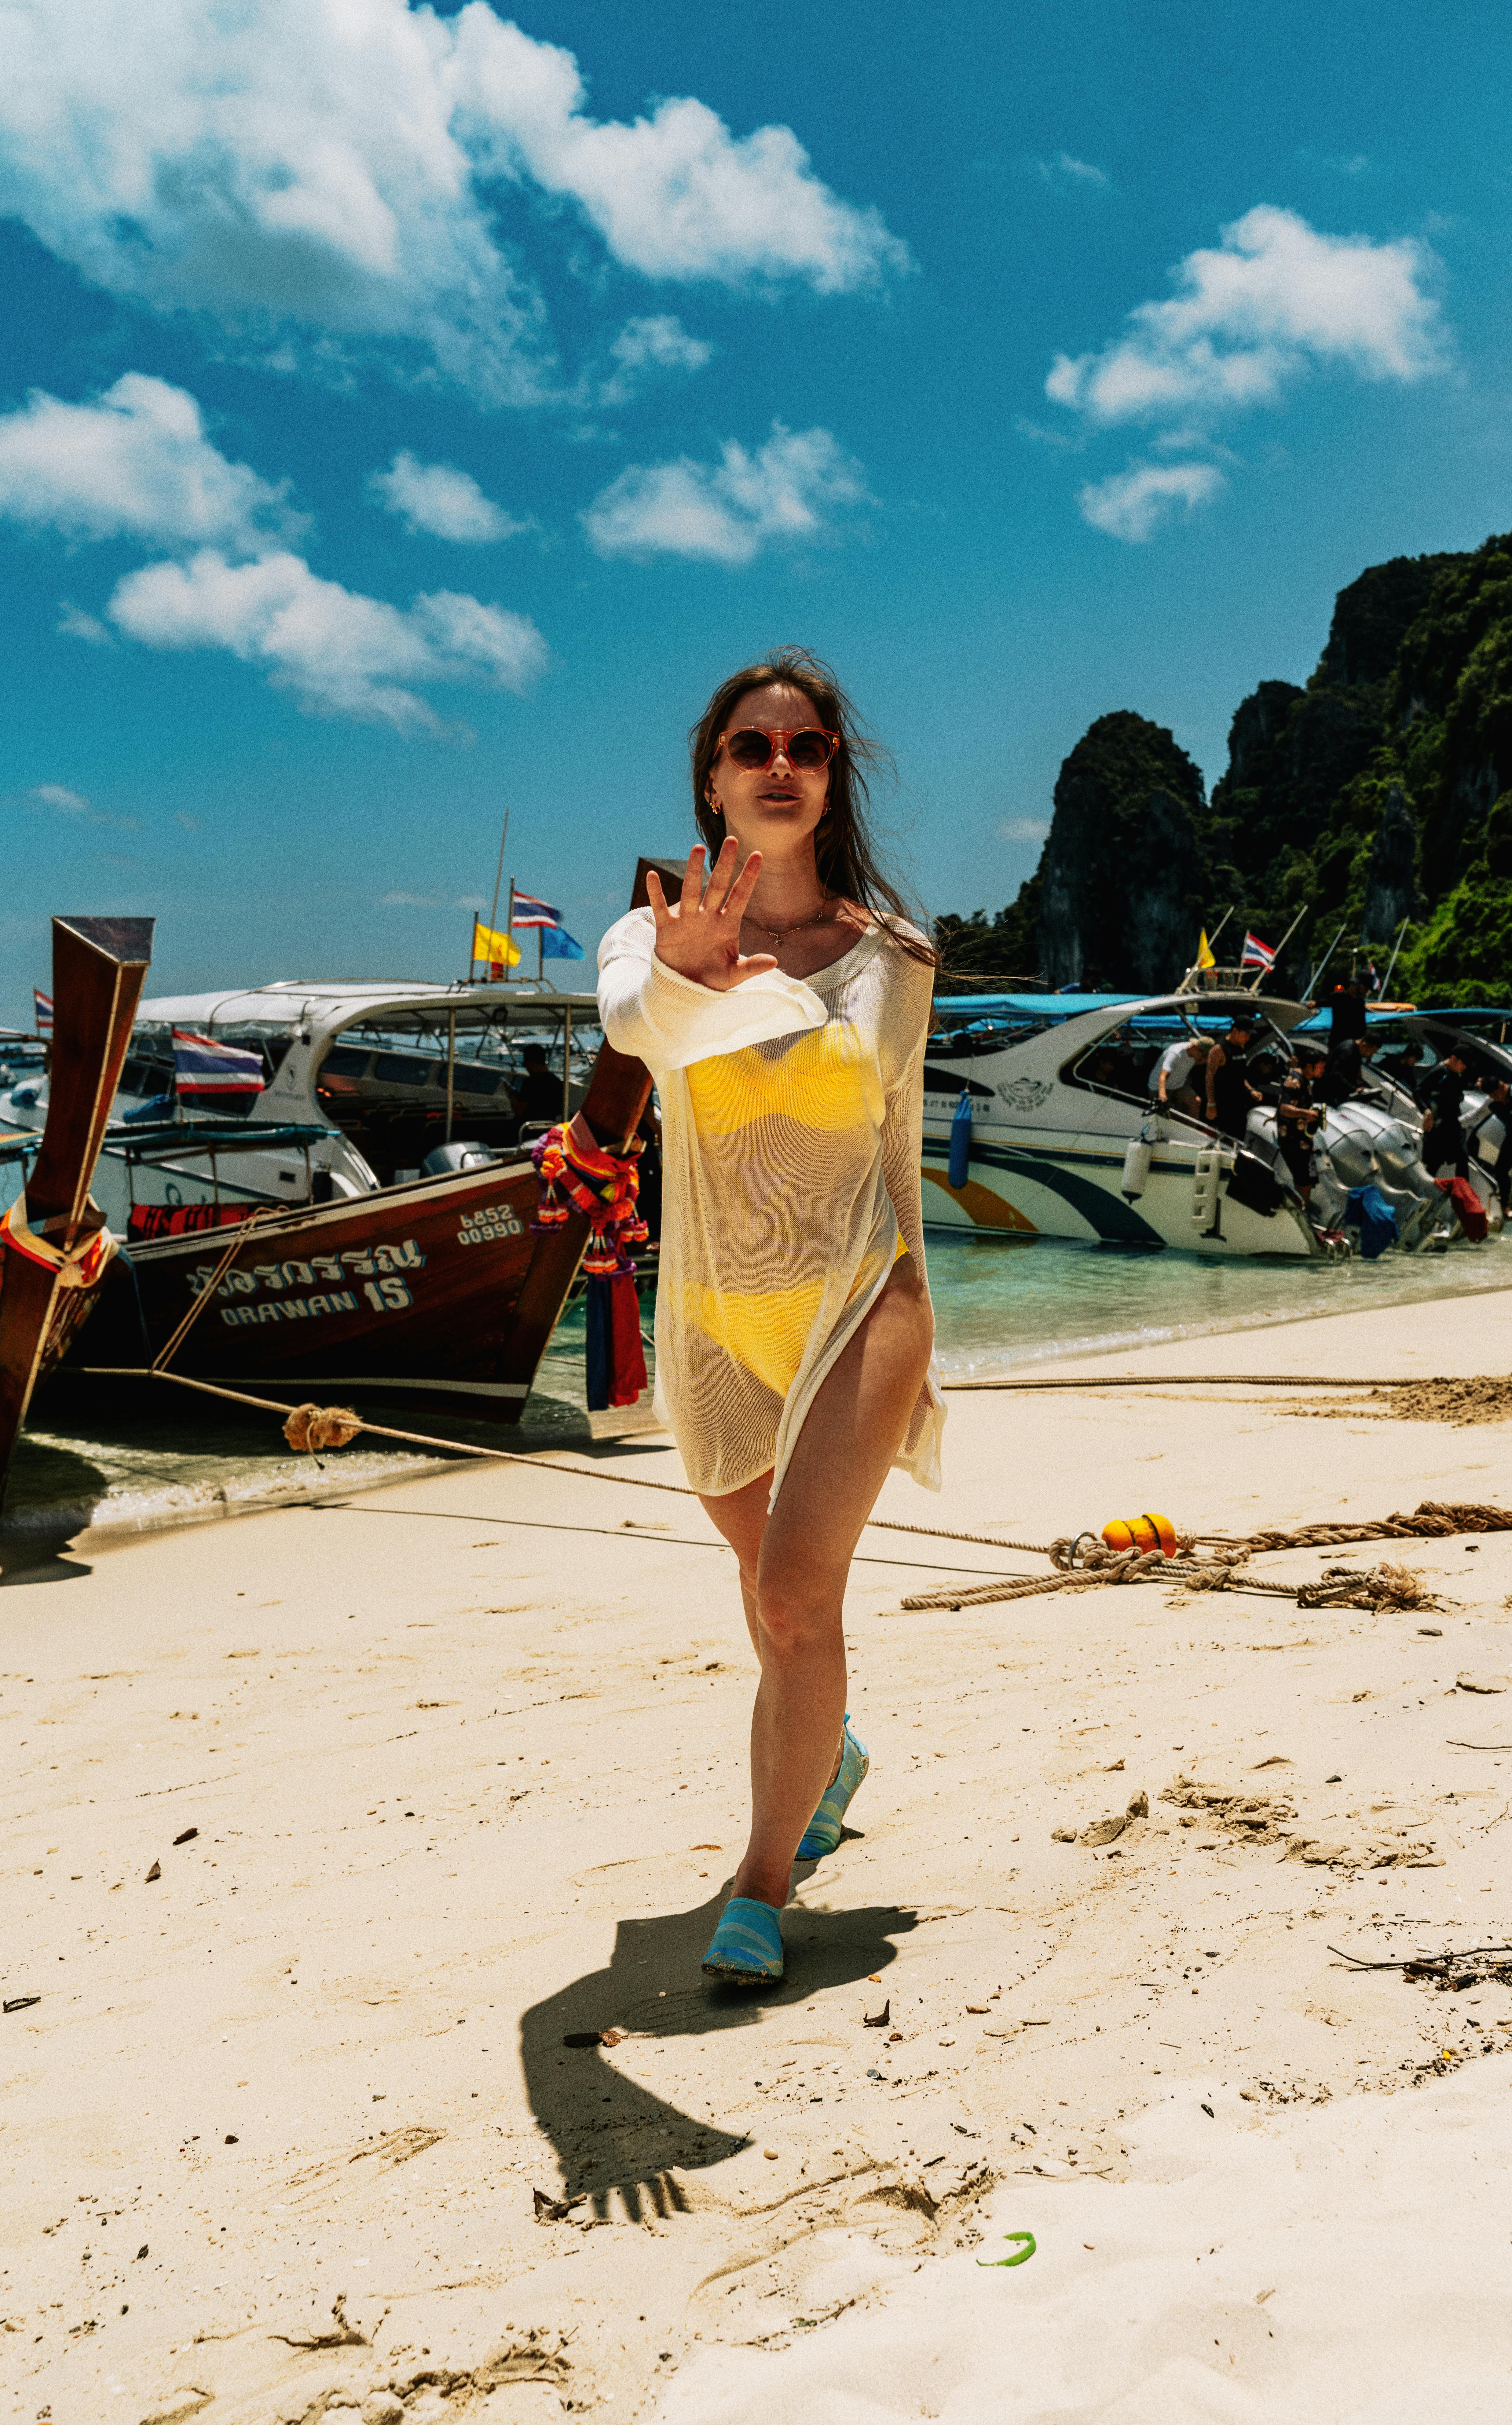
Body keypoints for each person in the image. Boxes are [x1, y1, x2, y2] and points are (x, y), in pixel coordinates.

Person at [597, 649, 942, 1989]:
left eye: (802, 747)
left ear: (829, 774)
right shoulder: (652, 940)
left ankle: (760, 1880)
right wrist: (692, 973)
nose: (779, 766)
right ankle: (829, 1751)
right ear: (713, 778)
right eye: (753, 747)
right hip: (717, 1325)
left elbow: (896, 1159)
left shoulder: (893, 959)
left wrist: (918, 1343)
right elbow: (641, 1032)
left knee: (796, 1602)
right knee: (771, 1601)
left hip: (861, 1303)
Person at [1204, 1018, 1262, 1140]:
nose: (1248, 1038)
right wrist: (1211, 1104)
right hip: (1223, 1104)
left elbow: (1239, 1075)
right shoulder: (1219, 1049)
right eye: (1246, 1034)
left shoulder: (1241, 1047)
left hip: (1239, 1103)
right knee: (1225, 1138)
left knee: (1239, 1137)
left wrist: (1251, 1090)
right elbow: (1209, 1077)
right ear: (1235, 1031)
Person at [1422, 1048, 1470, 1179]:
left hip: (1453, 1124)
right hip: (1440, 1126)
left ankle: (1463, 1194)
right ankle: (1426, 1191)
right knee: (1435, 1163)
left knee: (1463, 1158)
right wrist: (1427, 1111)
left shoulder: (1455, 1074)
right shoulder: (1439, 1072)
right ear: (1454, 1058)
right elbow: (1419, 1091)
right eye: (1463, 1063)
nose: (1464, 1067)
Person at [1154, 1033, 1208, 1116]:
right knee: (1165, 1114)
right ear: (1197, 1048)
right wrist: (1162, 1096)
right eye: (1204, 1056)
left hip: (1179, 1086)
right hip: (1159, 1087)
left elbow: (1198, 1062)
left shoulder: (1196, 1056)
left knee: (1196, 1102)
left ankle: (1190, 1128)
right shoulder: (1175, 1053)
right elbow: (1163, 1076)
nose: (1204, 1059)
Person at [515, 1041, 565, 1126]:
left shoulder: (530, 1082)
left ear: (530, 1062)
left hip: (529, 1128)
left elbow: (519, 1111)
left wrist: (511, 1094)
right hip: (550, 1127)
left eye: (525, 1063)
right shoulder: (557, 1082)